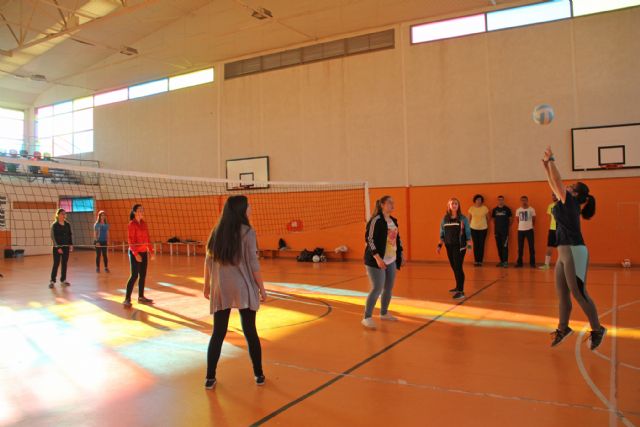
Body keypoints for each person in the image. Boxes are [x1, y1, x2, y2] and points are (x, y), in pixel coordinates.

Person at [542, 146, 606, 350]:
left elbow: (558, 183)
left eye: (571, 186)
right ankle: (563, 328)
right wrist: (546, 166)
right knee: (562, 294)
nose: (566, 186)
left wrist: (552, 160)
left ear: (575, 194)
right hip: (562, 253)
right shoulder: (564, 201)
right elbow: (554, 183)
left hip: (574, 251)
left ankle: (597, 328)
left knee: (579, 293)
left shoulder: (570, 203)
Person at [203, 195, 267, 389]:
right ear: (241, 210)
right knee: (250, 331)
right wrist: (262, 289)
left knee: (218, 333)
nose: (251, 207)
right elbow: (254, 263)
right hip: (242, 286)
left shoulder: (217, 231)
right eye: (248, 205)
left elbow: (207, 260)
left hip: (221, 286)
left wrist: (206, 285)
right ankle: (259, 374)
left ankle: (210, 378)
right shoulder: (248, 232)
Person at [362, 195, 403, 330]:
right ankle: (366, 317)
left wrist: (400, 254)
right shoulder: (376, 220)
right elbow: (370, 239)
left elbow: (397, 239)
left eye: (393, 202)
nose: (392, 204)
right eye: (390, 202)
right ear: (382, 205)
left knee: (388, 288)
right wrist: (378, 259)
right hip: (375, 261)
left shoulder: (393, 221)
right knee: (377, 288)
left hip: (391, 260)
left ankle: (384, 313)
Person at [438, 198, 472, 300]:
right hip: (449, 246)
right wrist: (439, 245)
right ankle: (457, 287)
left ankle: (461, 291)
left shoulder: (463, 219)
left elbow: (468, 233)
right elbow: (442, 233)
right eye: (452, 204)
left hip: (460, 247)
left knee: (458, 267)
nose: (454, 205)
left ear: (458, 206)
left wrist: (469, 246)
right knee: (454, 267)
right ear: (449, 206)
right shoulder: (445, 219)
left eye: (456, 203)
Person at [123, 204, 154, 307]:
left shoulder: (144, 224)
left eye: (142, 210)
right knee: (134, 275)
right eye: (139, 210)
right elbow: (130, 241)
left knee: (143, 275)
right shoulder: (131, 224)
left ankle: (141, 297)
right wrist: (135, 254)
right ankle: (127, 299)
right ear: (135, 212)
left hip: (144, 252)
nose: (141, 212)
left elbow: (147, 238)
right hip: (134, 252)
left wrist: (151, 251)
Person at [50, 208, 73, 288]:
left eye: (64, 214)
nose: (64, 215)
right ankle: (52, 281)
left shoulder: (67, 224)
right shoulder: (54, 225)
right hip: (57, 247)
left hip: (66, 247)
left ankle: (63, 280)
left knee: (64, 263)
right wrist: (57, 248)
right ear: (58, 215)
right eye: (62, 214)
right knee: (56, 264)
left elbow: (70, 235)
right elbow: (53, 237)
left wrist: (70, 245)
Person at [468, 194, 489, 266]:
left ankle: (480, 261)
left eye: (480, 199)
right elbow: (469, 219)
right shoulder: (471, 208)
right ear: (475, 200)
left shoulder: (485, 208)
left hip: (483, 229)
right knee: (476, 245)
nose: (478, 201)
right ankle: (476, 260)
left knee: (481, 244)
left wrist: (484, 224)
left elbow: (488, 218)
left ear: (482, 201)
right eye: (477, 199)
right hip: (473, 228)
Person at [491, 195, 512, 268]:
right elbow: (493, 220)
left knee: (505, 246)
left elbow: (510, 220)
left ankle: (505, 262)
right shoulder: (494, 210)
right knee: (499, 246)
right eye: (499, 199)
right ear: (497, 201)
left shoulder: (507, 209)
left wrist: (505, 227)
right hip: (497, 231)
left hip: (505, 232)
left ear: (503, 200)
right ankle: (501, 261)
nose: (500, 201)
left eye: (502, 199)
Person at [515, 196, 536, 268]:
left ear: (527, 201)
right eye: (522, 200)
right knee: (520, 247)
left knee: (531, 247)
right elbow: (517, 220)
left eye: (525, 200)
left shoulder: (532, 209)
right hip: (520, 230)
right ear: (520, 201)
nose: (524, 202)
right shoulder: (518, 210)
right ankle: (519, 263)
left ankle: (532, 263)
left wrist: (530, 226)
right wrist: (522, 226)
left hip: (529, 230)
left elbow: (534, 219)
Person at [539, 194, 558, 270]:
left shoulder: (563, 205)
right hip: (552, 229)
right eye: (552, 195)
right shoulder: (550, 206)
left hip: (561, 229)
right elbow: (551, 218)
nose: (554, 197)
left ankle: (564, 265)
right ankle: (546, 264)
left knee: (562, 247)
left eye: (555, 195)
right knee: (549, 246)